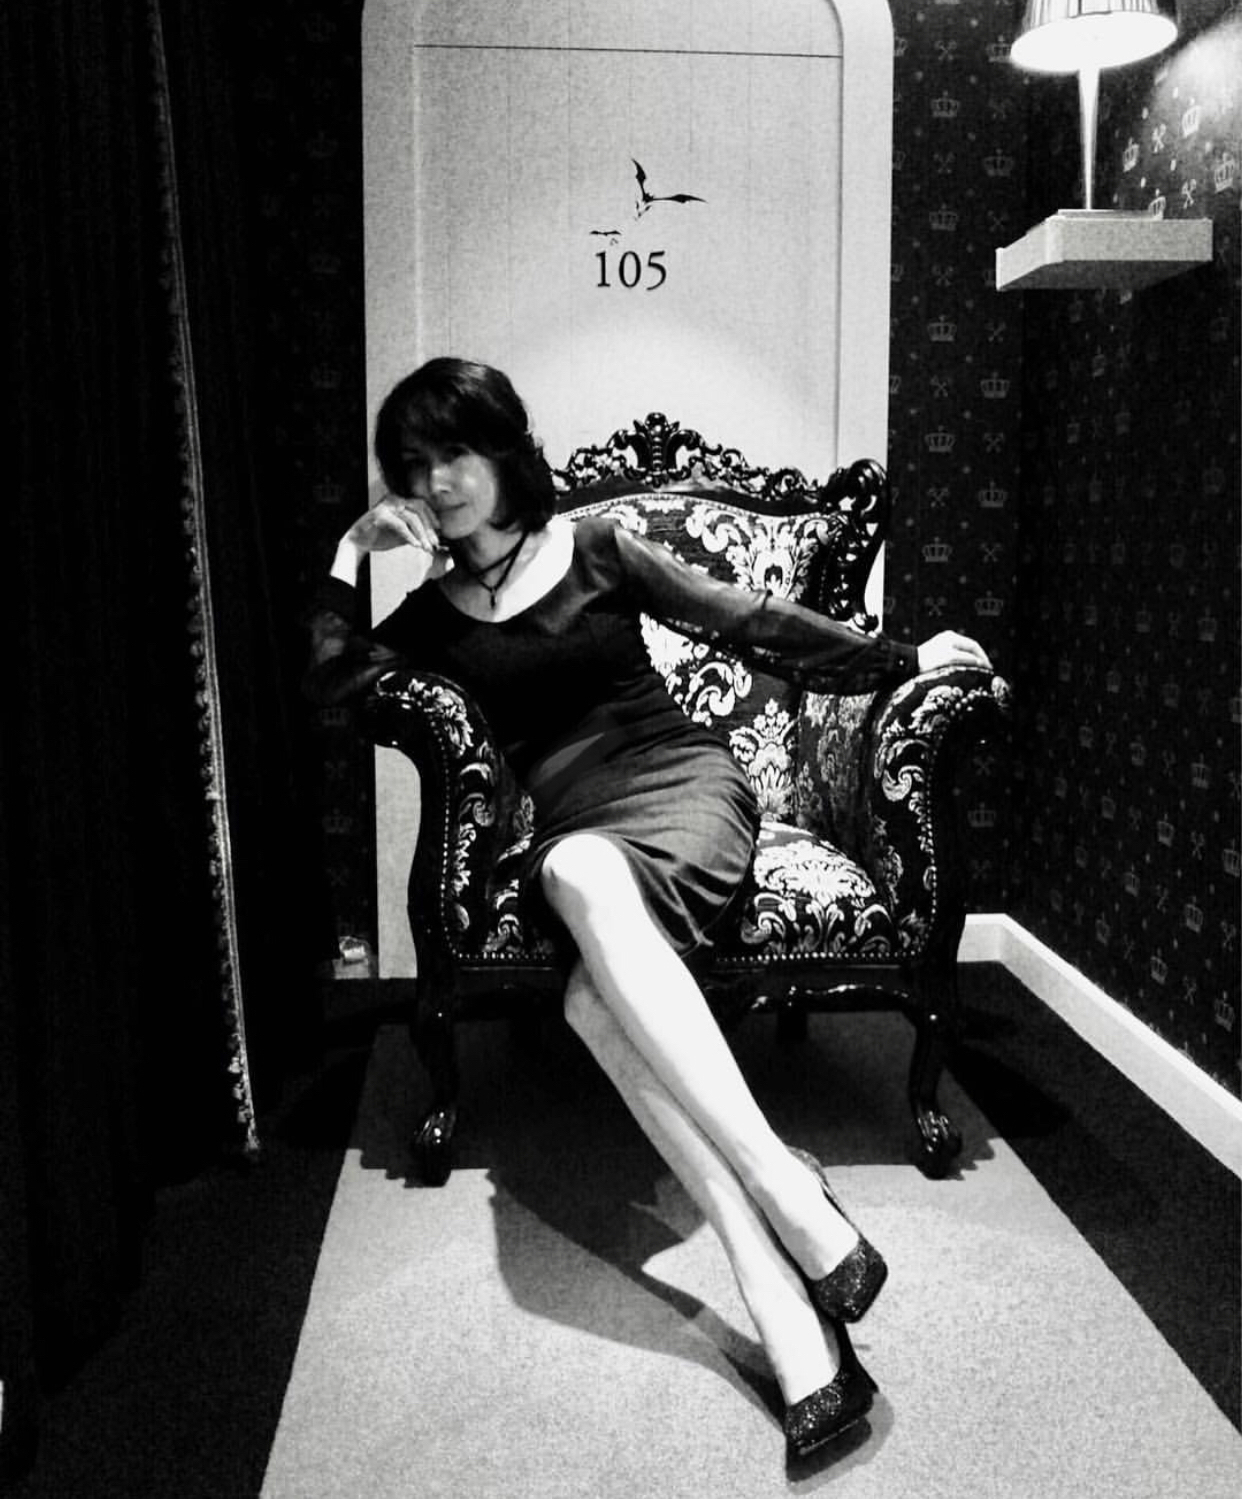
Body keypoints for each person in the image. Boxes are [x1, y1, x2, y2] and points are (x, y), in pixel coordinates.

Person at [304, 358, 991, 1463]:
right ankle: (782, 1250)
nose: (437, 483)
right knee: (584, 969)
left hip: (682, 782)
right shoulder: (430, 618)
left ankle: (780, 1223)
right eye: (414, 465)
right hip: (578, 820)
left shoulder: (595, 548)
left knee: (582, 916)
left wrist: (902, 658)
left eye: (456, 453)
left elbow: (750, 619)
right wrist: (350, 550)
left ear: (504, 449)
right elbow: (333, 677)